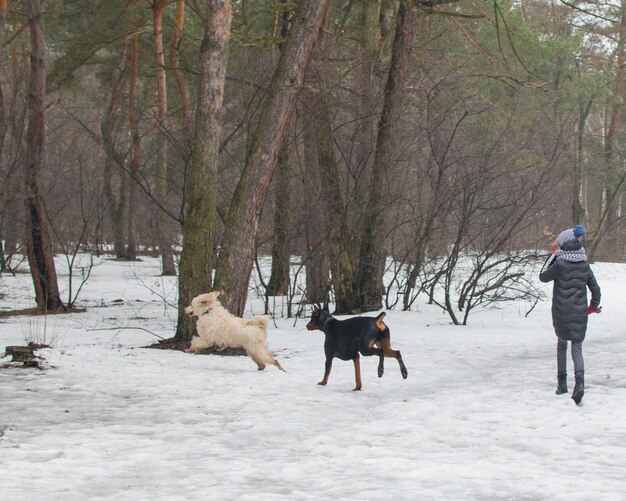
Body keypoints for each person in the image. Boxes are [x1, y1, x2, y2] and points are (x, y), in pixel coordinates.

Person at [539, 224, 601, 405]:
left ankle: (562, 384)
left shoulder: (559, 263)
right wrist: (592, 306)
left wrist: (552, 257)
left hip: (561, 311)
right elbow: (596, 290)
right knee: (577, 347)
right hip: (580, 312)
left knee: (561, 345)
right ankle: (579, 384)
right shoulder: (584, 265)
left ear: (562, 245)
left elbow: (542, 276)